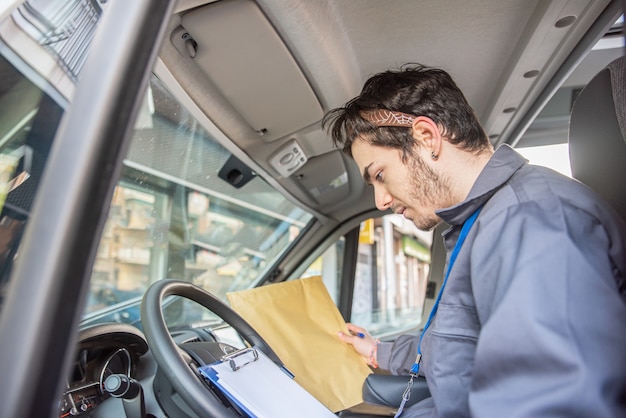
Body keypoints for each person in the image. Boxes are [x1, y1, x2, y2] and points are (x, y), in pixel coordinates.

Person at [322, 63, 626, 417]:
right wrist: (379, 352)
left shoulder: (529, 217)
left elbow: (555, 404)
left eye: (379, 175)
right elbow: (457, 342)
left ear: (426, 137)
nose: (381, 201)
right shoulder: (483, 222)